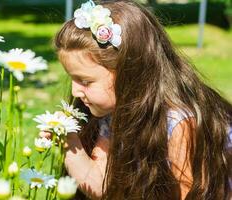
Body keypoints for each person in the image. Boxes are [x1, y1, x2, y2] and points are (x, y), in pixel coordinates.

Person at [48, 0, 232, 199]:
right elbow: (101, 186)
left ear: (130, 73)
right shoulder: (112, 114)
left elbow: (192, 195)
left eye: (85, 81)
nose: (75, 91)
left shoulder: (178, 122)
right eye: (73, 78)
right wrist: (69, 142)